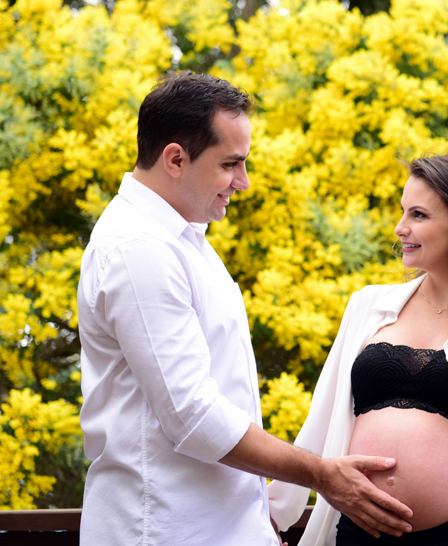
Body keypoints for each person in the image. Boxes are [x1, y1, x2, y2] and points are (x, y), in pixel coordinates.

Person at [77, 72, 413, 546]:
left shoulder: (184, 238)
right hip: (163, 530)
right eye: (231, 163)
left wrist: (260, 520)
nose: (244, 182)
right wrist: (321, 475)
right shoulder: (138, 250)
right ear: (175, 158)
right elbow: (192, 415)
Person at [268, 149, 448, 545]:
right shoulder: (369, 304)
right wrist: (275, 516)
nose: (399, 228)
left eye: (418, 215)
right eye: (403, 212)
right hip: (356, 531)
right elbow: (321, 416)